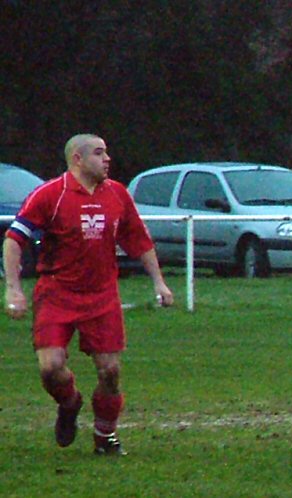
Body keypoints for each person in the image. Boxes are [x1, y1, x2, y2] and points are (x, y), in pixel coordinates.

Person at [3, 133, 174, 455]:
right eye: (99, 153)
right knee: (50, 367)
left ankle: (105, 436)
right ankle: (69, 403)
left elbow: (138, 240)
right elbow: (14, 240)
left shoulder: (118, 195)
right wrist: (13, 289)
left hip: (102, 295)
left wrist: (159, 282)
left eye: (107, 152)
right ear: (77, 159)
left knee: (110, 371)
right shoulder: (50, 195)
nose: (107, 159)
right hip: (57, 292)